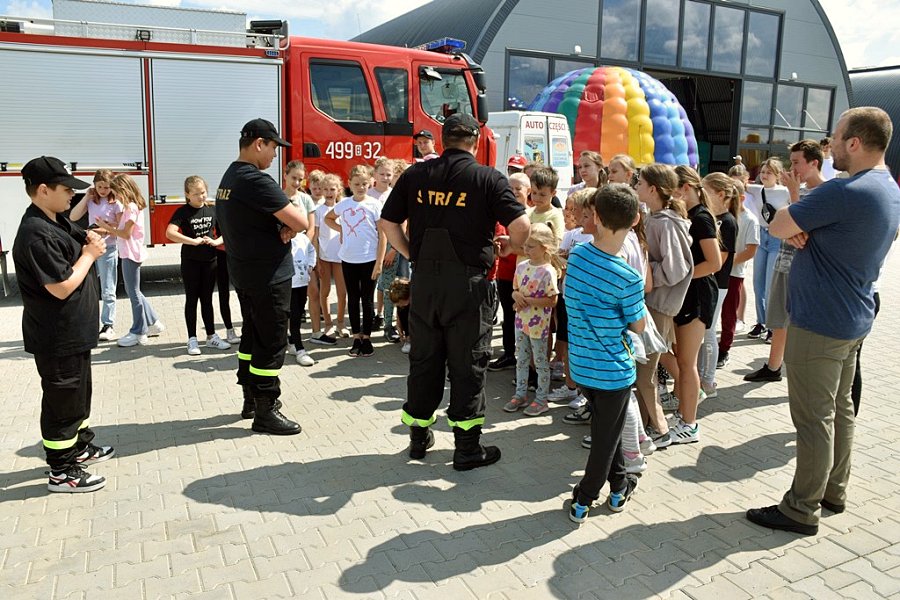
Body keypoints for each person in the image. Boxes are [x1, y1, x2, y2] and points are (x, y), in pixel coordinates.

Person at [747, 107, 900, 535]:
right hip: (854, 315)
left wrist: (793, 225)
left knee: (814, 419)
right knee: (839, 409)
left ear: (854, 142)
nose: (828, 144)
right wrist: (801, 227)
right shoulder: (887, 187)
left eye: (834, 137)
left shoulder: (845, 191)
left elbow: (776, 224)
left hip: (820, 322)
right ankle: (834, 490)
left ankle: (801, 508)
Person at [380, 113, 530, 470]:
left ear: (443, 140)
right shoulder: (487, 178)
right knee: (467, 364)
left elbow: (387, 223)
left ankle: (418, 438)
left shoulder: (415, 174)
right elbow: (522, 225)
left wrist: (410, 253)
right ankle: (466, 449)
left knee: (424, 360)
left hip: (426, 284)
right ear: (475, 143)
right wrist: (509, 248)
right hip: (468, 287)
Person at [13, 156, 115, 493]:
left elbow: (80, 230)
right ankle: (62, 471)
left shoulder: (54, 220)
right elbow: (60, 287)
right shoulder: (35, 234)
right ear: (43, 190)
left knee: (78, 398)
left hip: (75, 332)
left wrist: (94, 236)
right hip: (56, 335)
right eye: (66, 188)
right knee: (61, 402)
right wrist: (89, 256)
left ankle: (80, 448)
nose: (72, 194)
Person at [215, 118, 309, 434]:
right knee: (270, 342)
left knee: (251, 337)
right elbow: (301, 221)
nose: (273, 156)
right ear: (258, 144)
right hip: (268, 275)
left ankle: (250, 399)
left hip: (245, 273)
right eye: (272, 148)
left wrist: (284, 226)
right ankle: (267, 410)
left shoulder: (230, 176)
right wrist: (289, 226)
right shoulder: (256, 180)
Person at [566, 184, 647, 523]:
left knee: (607, 430)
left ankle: (620, 486)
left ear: (595, 216)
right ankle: (585, 497)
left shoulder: (578, 256)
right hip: (613, 371)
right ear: (636, 219)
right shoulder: (628, 277)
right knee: (604, 438)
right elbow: (639, 326)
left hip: (582, 366)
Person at [745, 140, 825, 383]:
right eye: (791, 162)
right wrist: (789, 228)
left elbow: (801, 227)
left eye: (797, 162)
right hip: (785, 259)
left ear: (814, 163)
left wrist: (792, 201)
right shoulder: (798, 191)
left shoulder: (825, 192)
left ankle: (805, 372)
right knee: (780, 317)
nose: (792, 169)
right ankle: (773, 366)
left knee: (804, 323)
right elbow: (781, 227)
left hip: (805, 268)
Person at [632, 164, 692, 448]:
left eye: (640, 183)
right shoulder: (656, 218)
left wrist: (644, 269)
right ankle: (644, 427)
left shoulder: (666, 222)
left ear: (653, 189)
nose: (637, 187)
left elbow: (678, 268)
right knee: (644, 372)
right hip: (651, 304)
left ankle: (660, 428)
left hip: (658, 307)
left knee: (645, 375)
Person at [669, 166, 722, 444]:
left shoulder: (701, 217)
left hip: (697, 294)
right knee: (680, 360)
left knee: (687, 363)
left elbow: (714, 262)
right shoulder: (685, 215)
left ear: (685, 188)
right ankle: (683, 413)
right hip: (685, 293)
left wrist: (681, 277)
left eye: (672, 188)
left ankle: (690, 424)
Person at [166, 176, 232, 355]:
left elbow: (226, 233)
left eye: (203, 192)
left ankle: (211, 337)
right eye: (196, 194)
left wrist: (215, 241)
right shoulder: (182, 212)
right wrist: (192, 241)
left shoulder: (212, 209)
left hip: (211, 261)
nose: (201, 197)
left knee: (207, 299)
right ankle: (192, 339)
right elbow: (170, 233)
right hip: (191, 262)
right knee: (192, 299)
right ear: (187, 195)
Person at [325, 164, 385, 357]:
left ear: (371, 183)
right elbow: (329, 218)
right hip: (348, 259)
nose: (361, 187)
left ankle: (366, 337)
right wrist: (341, 230)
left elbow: (382, 235)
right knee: (353, 298)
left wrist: (379, 261)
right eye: (357, 184)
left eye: (364, 184)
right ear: (349, 184)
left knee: (367, 300)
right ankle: (356, 336)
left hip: (369, 259)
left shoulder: (374, 205)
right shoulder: (344, 204)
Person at [98, 174, 164, 347]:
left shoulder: (131, 208)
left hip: (131, 254)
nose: (117, 196)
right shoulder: (132, 207)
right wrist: (110, 227)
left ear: (125, 190)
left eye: (118, 192)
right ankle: (153, 323)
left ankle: (138, 331)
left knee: (133, 293)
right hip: (131, 253)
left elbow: (126, 234)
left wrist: (106, 227)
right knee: (135, 291)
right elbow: (124, 231)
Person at [503, 223, 560, 417]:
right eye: (525, 245)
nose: (526, 249)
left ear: (544, 247)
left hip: (539, 325)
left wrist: (528, 300)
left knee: (541, 361)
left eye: (531, 246)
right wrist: (516, 296)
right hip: (521, 322)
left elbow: (553, 300)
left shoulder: (548, 271)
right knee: (522, 359)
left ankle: (542, 399)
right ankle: (520, 394)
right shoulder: (521, 267)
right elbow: (515, 290)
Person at [697, 172, 738, 397]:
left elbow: (719, 260)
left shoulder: (728, 222)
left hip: (718, 284)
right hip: (708, 282)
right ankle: (701, 375)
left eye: (706, 191)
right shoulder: (710, 217)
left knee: (709, 331)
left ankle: (709, 380)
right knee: (704, 329)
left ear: (721, 195)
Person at [68, 169, 120, 342]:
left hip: (108, 248)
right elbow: (74, 216)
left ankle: (108, 325)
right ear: (94, 185)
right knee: (87, 287)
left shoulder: (116, 202)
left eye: (106, 187)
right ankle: (87, 323)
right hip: (90, 247)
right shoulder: (92, 200)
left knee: (107, 288)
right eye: (99, 186)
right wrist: (86, 197)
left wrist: (102, 229)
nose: (103, 190)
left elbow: (119, 228)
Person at [744, 158, 790, 343]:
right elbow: (737, 183)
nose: (764, 175)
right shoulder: (756, 189)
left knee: (771, 284)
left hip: (777, 238)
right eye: (762, 172)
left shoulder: (785, 192)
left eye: (768, 172)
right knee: (757, 283)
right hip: (760, 236)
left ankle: (772, 326)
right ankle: (761, 322)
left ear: (777, 175)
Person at [714, 178, 757, 368]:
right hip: (717, 271)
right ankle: (713, 347)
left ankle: (724, 349)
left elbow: (751, 250)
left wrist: (728, 262)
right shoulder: (721, 216)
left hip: (734, 273)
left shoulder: (749, 219)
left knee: (729, 313)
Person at [284, 161, 323, 340]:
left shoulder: (305, 199)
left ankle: (316, 332)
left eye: (300, 179)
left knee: (312, 291)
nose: (297, 183)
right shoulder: (278, 197)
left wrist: (303, 245)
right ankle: (286, 336)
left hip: (304, 253)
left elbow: (311, 226)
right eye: (293, 178)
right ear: (285, 175)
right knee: (287, 298)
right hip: (285, 254)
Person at [313, 173, 344, 343]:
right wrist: (317, 258)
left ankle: (340, 323)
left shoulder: (343, 207)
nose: (329, 192)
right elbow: (316, 235)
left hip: (341, 256)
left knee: (342, 291)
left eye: (332, 189)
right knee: (325, 290)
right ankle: (328, 323)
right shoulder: (318, 211)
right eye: (325, 189)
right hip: (324, 256)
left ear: (338, 189)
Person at [287, 231, 317, 366]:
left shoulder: (303, 237)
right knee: (293, 315)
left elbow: (311, 250)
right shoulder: (282, 237)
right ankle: (300, 349)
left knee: (299, 314)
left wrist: (310, 265)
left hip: (303, 282)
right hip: (288, 284)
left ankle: (292, 342)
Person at [528, 167, 565, 243]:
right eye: (534, 193)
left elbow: (557, 242)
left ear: (553, 193)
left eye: (542, 195)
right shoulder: (527, 213)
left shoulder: (555, 216)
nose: (537, 198)